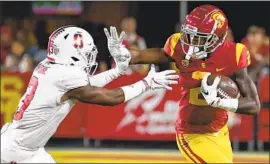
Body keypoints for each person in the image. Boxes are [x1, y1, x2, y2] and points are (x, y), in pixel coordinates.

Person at [1, 26, 179, 163]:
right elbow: (111, 98)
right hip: (16, 151)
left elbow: (88, 84)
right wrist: (146, 84)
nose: (90, 58)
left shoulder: (51, 67)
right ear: (71, 53)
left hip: (27, 147)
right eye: (85, 53)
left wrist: (117, 71)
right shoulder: (64, 76)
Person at [108, 5, 261, 163]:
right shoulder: (179, 46)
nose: (191, 41)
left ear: (217, 38)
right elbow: (146, 55)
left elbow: (253, 105)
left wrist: (223, 102)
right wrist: (124, 54)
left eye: (199, 37)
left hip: (220, 131)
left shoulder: (234, 54)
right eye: (190, 35)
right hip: (191, 133)